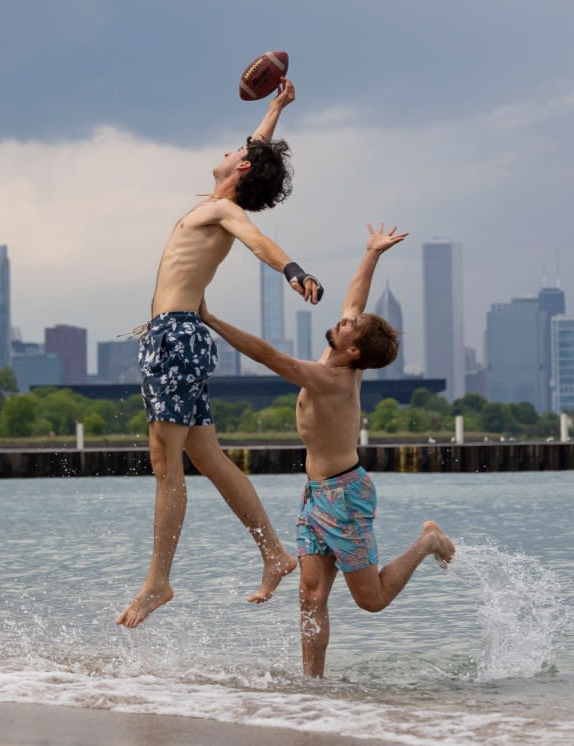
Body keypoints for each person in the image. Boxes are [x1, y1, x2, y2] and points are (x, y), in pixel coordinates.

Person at [199, 223, 456, 677]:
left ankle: (428, 541)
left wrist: (213, 320)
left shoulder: (331, 378)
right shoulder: (338, 357)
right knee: (310, 595)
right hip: (317, 494)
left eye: (347, 326)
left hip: (346, 497)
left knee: (370, 600)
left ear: (353, 349)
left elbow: (269, 357)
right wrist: (372, 252)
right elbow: (354, 300)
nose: (342, 319)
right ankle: (312, 688)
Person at [116, 78, 324, 629]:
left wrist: (292, 270)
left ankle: (159, 581)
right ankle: (275, 554)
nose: (231, 150)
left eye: (236, 152)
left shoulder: (224, 213)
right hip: (173, 335)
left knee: (166, 464)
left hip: (177, 338)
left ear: (241, 171)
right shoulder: (214, 204)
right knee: (208, 458)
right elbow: (252, 155)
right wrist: (276, 107)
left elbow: (258, 240)